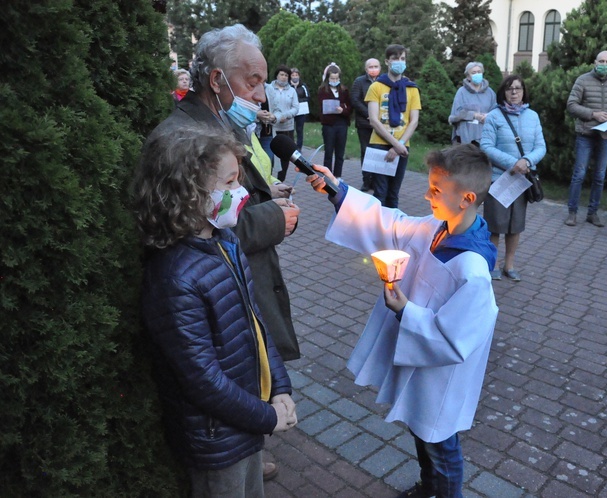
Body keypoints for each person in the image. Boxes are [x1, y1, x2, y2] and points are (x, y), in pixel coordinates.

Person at [146, 24, 302, 481]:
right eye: (252, 81)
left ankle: (249, 448)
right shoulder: (183, 137)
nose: (261, 93)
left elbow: (226, 196)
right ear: (216, 80)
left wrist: (261, 189)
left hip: (232, 299)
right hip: (214, 399)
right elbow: (194, 222)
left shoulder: (215, 125)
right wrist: (275, 217)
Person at [304, 144, 499, 498]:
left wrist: (405, 310)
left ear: (466, 198)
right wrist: (340, 193)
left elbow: (454, 340)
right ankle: (429, 488)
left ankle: (444, 492)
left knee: (441, 443)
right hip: (417, 363)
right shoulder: (438, 227)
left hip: (440, 377)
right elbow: (392, 225)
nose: (427, 196)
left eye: (436, 190)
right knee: (421, 434)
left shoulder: (472, 270)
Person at [134, 126, 297, 498]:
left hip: (247, 419)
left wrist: (279, 387)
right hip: (216, 439)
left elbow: (256, 322)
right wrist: (266, 417)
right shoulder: (175, 277)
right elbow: (201, 380)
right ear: (190, 193)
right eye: (230, 181)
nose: (241, 193)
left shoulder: (226, 241)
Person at [480, 75, 546, 282]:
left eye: (518, 88)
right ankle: (494, 264)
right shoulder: (494, 116)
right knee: (495, 224)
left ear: (524, 91)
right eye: (510, 89)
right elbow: (486, 146)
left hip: (522, 181)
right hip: (499, 180)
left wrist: (526, 161)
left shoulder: (533, 116)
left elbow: (541, 147)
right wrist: (513, 163)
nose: (514, 92)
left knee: (515, 225)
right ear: (503, 93)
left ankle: (510, 265)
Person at [565, 50, 607, 227]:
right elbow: (571, 105)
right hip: (585, 134)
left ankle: (593, 213)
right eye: (601, 61)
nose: (604, 64)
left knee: (600, 176)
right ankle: (572, 212)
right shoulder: (583, 80)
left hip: (606, 135)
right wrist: (593, 114)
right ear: (594, 62)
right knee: (579, 174)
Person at [365, 44, 421, 208]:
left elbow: (414, 121)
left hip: (402, 147)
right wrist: (395, 144)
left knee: (393, 194)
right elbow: (374, 120)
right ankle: (376, 230)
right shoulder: (376, 86)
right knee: (380, 193)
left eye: (402, 59)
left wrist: (399, 145)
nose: (399, 62)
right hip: (379, 144)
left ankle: (391, 231)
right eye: (395, 58)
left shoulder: (412, 89)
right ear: (387, 61)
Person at [351, 58, 381, 191]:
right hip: (365, 122)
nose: (373, 69)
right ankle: (366, 180)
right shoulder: (359, 81)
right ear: (366, 69)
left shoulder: (384, 81)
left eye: (376, 66)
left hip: (381, 124)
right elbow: (355, 100)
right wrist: (369, 114)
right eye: (371, 66)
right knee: (366, 151)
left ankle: (376, 180)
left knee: (378, 152)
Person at [449, 61, 496, 145]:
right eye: (473, 73)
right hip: (465, 134)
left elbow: (496, 110)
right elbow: (456, 113)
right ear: (468, 76)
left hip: (485, 133)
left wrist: (487, 116)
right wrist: (473, 115)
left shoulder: (490, 92)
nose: (477, 74)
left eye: (479, 72)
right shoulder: (461, 92)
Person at [265, 65, 299, 181]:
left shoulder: (292, 91)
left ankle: (281, 180)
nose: (284, 77)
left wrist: (286, 116)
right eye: (282, 74)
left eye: (286, 75)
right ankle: (269, 179)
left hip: (287, 127)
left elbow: (295, 108)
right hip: (273, 127)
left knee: (285, 155)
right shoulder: (269, 88)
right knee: (271, 156)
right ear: (277, 75)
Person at [318, 63, 351, 179]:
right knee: (328, 152)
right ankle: (327, 176)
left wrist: (342, 109)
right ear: (328, 78)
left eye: (337, 78)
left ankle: (338, 176)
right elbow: (322, 109)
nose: (335, 80)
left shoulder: (344, 90)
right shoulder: (323, 90)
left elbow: (349, 108)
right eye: (332, 78)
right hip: (329, 125)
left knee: (340, 153)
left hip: (341, 124)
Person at [290, 67, 310, 150]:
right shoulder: (288, 86)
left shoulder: (303, 86)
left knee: (299, 129)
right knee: (290, 129)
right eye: (293, 75)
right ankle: (291, 146)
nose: (295, 77)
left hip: (301, 111)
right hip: (290, 111)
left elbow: (308, 97)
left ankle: (299, 147)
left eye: (296, 75)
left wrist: (299, 101)